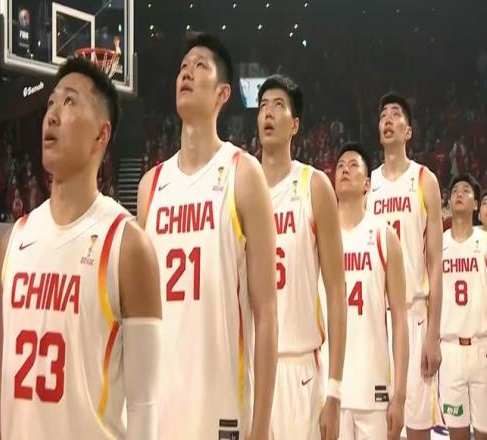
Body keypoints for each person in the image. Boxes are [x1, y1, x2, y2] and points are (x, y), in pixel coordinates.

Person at [0, 57, 162, 440]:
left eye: (69, 102)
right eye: (50, 103)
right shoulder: (12, 243)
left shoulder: (128, 246)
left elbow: (145, 406)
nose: (51, 115)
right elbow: (4, 392)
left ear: (101, 134)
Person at [137, 33, 278, 440]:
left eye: (200, 66)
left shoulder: (243, 172)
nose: (186, 73)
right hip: (160, 405)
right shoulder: (150, 186)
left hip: (222, 405)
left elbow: (267, 312)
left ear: (222, 93)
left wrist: (261, 426)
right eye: (183, 67)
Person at [257, 75, 346, 440]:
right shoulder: (238, 186)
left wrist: (334, 392)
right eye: (263, 106)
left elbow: (337, 292)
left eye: (278, 105)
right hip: (248, 365)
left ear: (294, 125)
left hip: (298, 370)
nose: (268, 113)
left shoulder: (314, 185)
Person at [366, 93, 443, 439]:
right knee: (377, 424)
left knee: (417, 427)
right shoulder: (368, 185)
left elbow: (436, 262)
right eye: (383, 114)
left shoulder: (425, 180)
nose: (388, 119)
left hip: (414, 315)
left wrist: (433, 334)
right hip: (375, 316)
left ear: (408, 131)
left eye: (395, 114)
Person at [335, 142, 408, 440]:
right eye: (340, 165)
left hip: (373, 384)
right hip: (331, 389)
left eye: (353, 165)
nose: (344, 169)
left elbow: (400, 319)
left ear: (367, 184)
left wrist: (400, 395)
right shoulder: (319, 236)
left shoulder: (384, 235)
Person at [440, 174, 487, 439]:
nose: (459, 193)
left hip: (482, 346)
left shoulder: (485, 242)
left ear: (476, 204)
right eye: (455, 190)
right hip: (449, 349)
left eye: (466, 190)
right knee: (455, 432)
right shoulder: (437, 244)